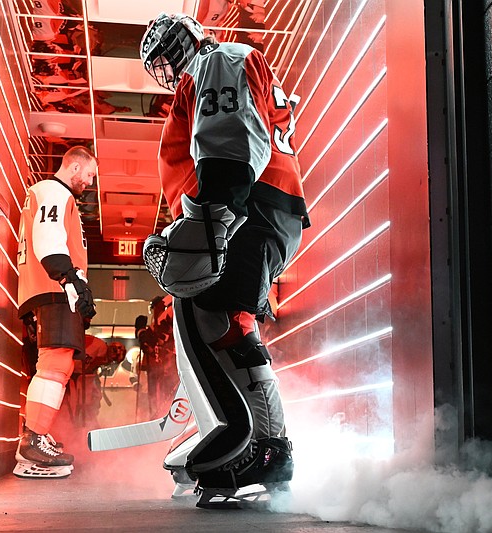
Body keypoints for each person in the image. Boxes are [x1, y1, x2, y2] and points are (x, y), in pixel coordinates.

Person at [139, 13, 310, 506]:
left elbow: (232, 139)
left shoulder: (215, 61)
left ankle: (252, 443)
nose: (168, 67)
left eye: (167, 54)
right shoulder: (218, 66)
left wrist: (213, 218)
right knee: (226, 318)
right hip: (257, 205)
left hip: (246, 205)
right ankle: (261, 443)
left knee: (212, 318)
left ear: (184, 43)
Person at [14, 145, 98, 478]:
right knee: (55, 363)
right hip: (52, 288)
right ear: (75, 167)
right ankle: (32, 441)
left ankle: (37, 433)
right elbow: (47, 237)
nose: (89, 183)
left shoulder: (49, 194)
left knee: (55, 363)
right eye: (89, 175)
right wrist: (70, 277)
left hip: (48, 288)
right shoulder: (52, 191)